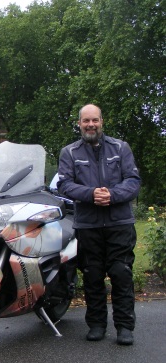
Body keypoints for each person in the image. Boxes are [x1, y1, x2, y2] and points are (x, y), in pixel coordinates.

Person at [57, 104, 140, 345]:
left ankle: (125, 327)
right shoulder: (69, 152)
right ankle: (96, 324)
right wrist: (91, 194)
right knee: (92, 275)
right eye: (86, 121)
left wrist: (111, 195)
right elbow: (64, 185)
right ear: (80, 123)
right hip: (88, 225)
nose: (90, 125)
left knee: (120, 273)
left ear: (102, 121)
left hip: (119, 222)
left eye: (95, 120)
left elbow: (133, 181)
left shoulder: (120, 148)